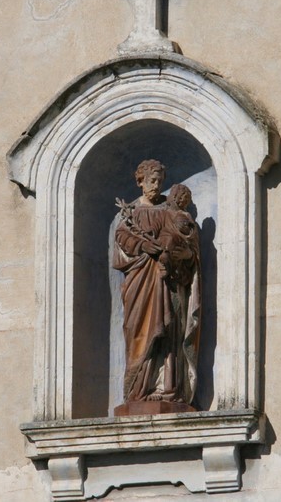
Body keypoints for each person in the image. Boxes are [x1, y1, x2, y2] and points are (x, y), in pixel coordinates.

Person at [112, 161, 201, 411]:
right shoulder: (130, 214)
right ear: (140, 180)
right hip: (140, 283)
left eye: (160, 181)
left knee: (171, 328)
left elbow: (190, 248)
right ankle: (139, 389)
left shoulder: (172, 211)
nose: (156, 186)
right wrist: (142, 247)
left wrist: (176, 253)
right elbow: (121, 245)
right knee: (138, 329)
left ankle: (167, 388)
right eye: (152, 181)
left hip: (170, 283)